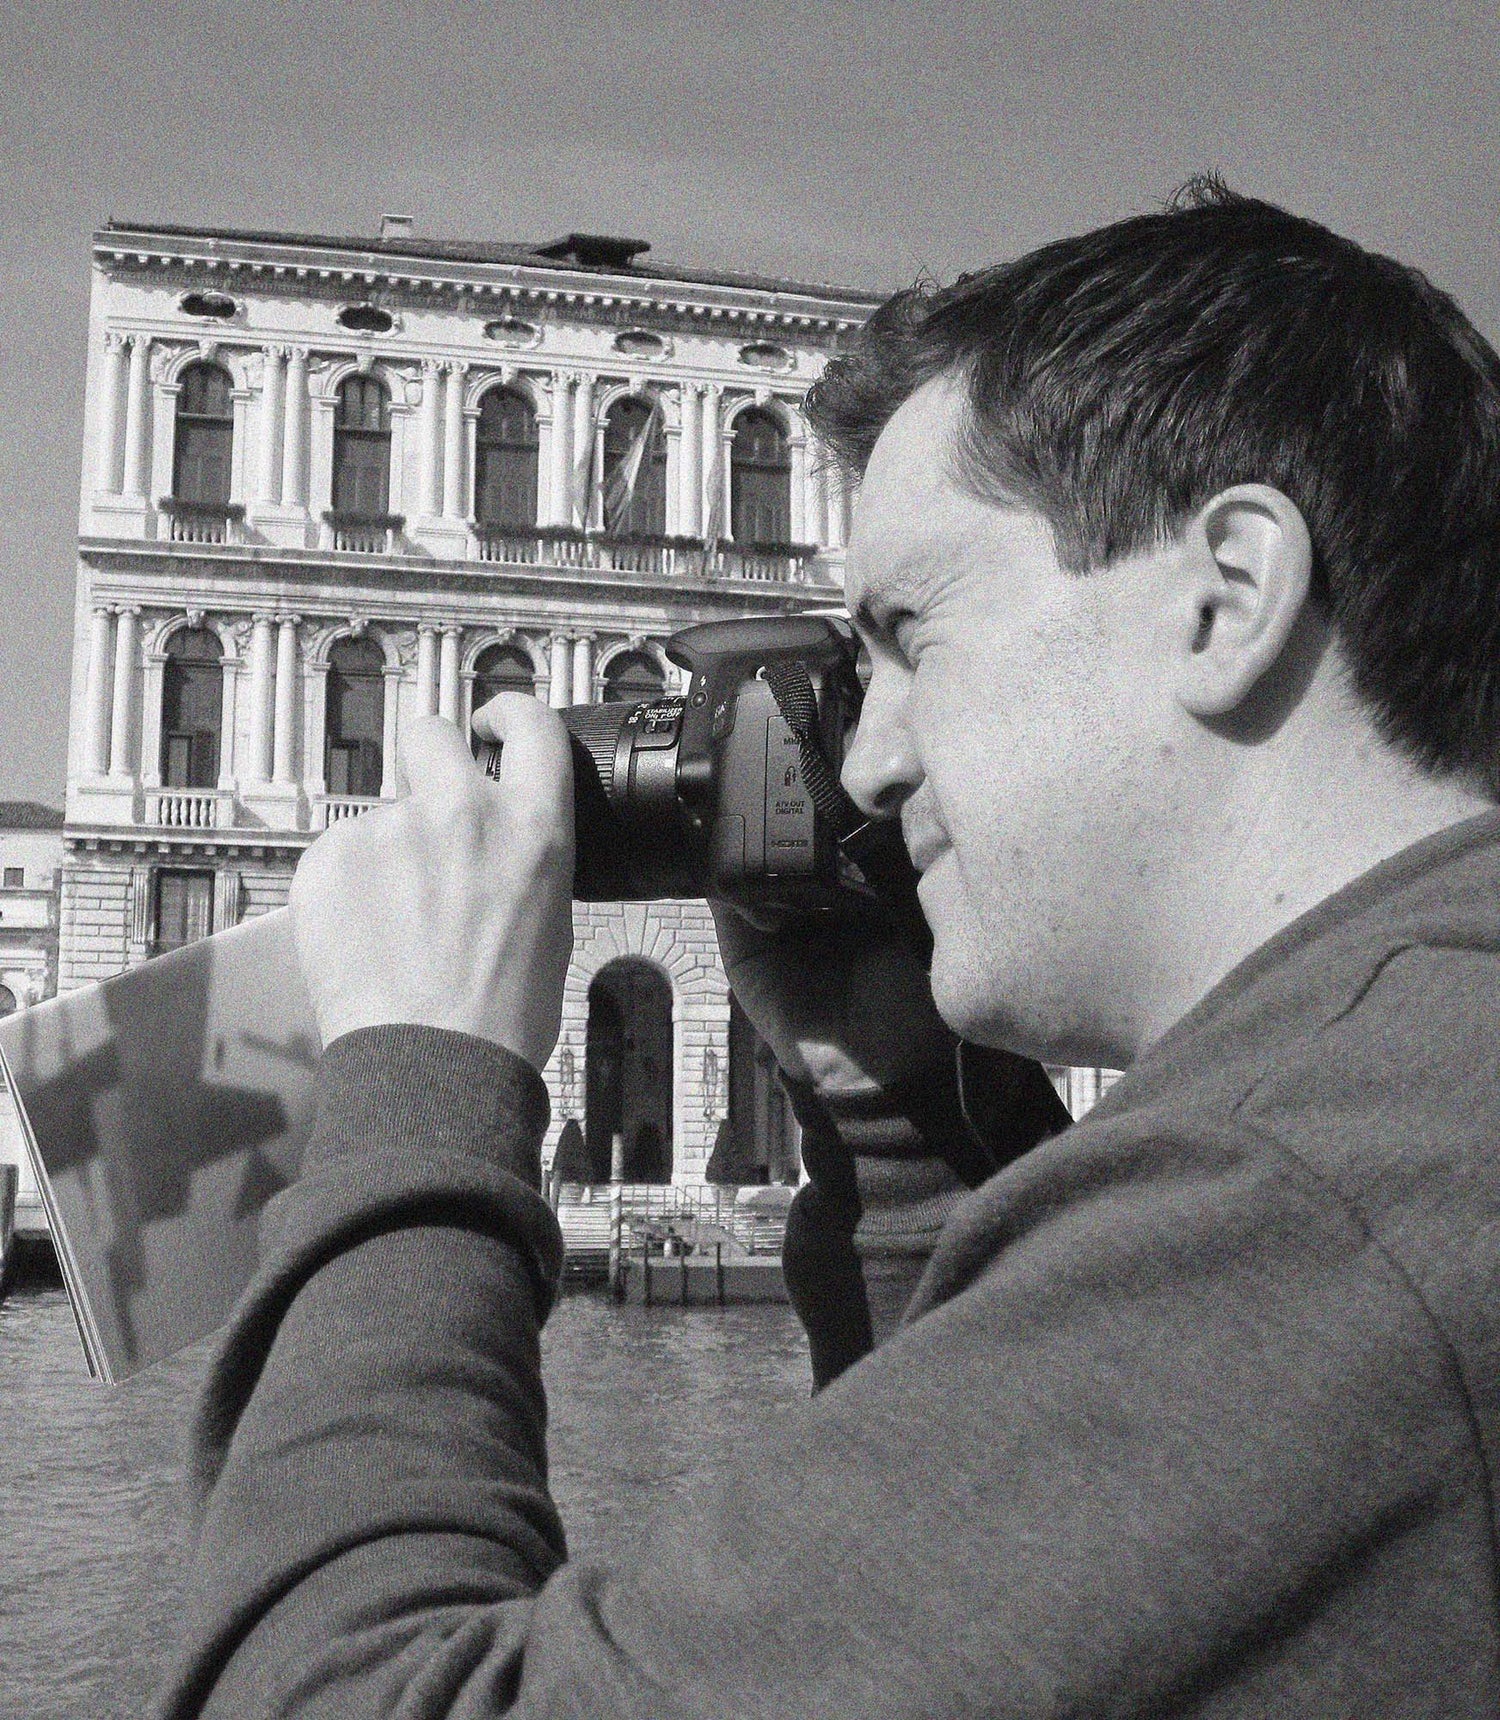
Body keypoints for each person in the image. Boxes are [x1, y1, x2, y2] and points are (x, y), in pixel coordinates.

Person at [156, 181, 1500, 1716]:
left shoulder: (1302, 1194)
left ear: (1228, 597)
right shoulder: (1404, 1091)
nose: (868, 762)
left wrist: (416, 1077)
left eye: (909, 638)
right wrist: (897, 1119)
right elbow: (986, 1615)